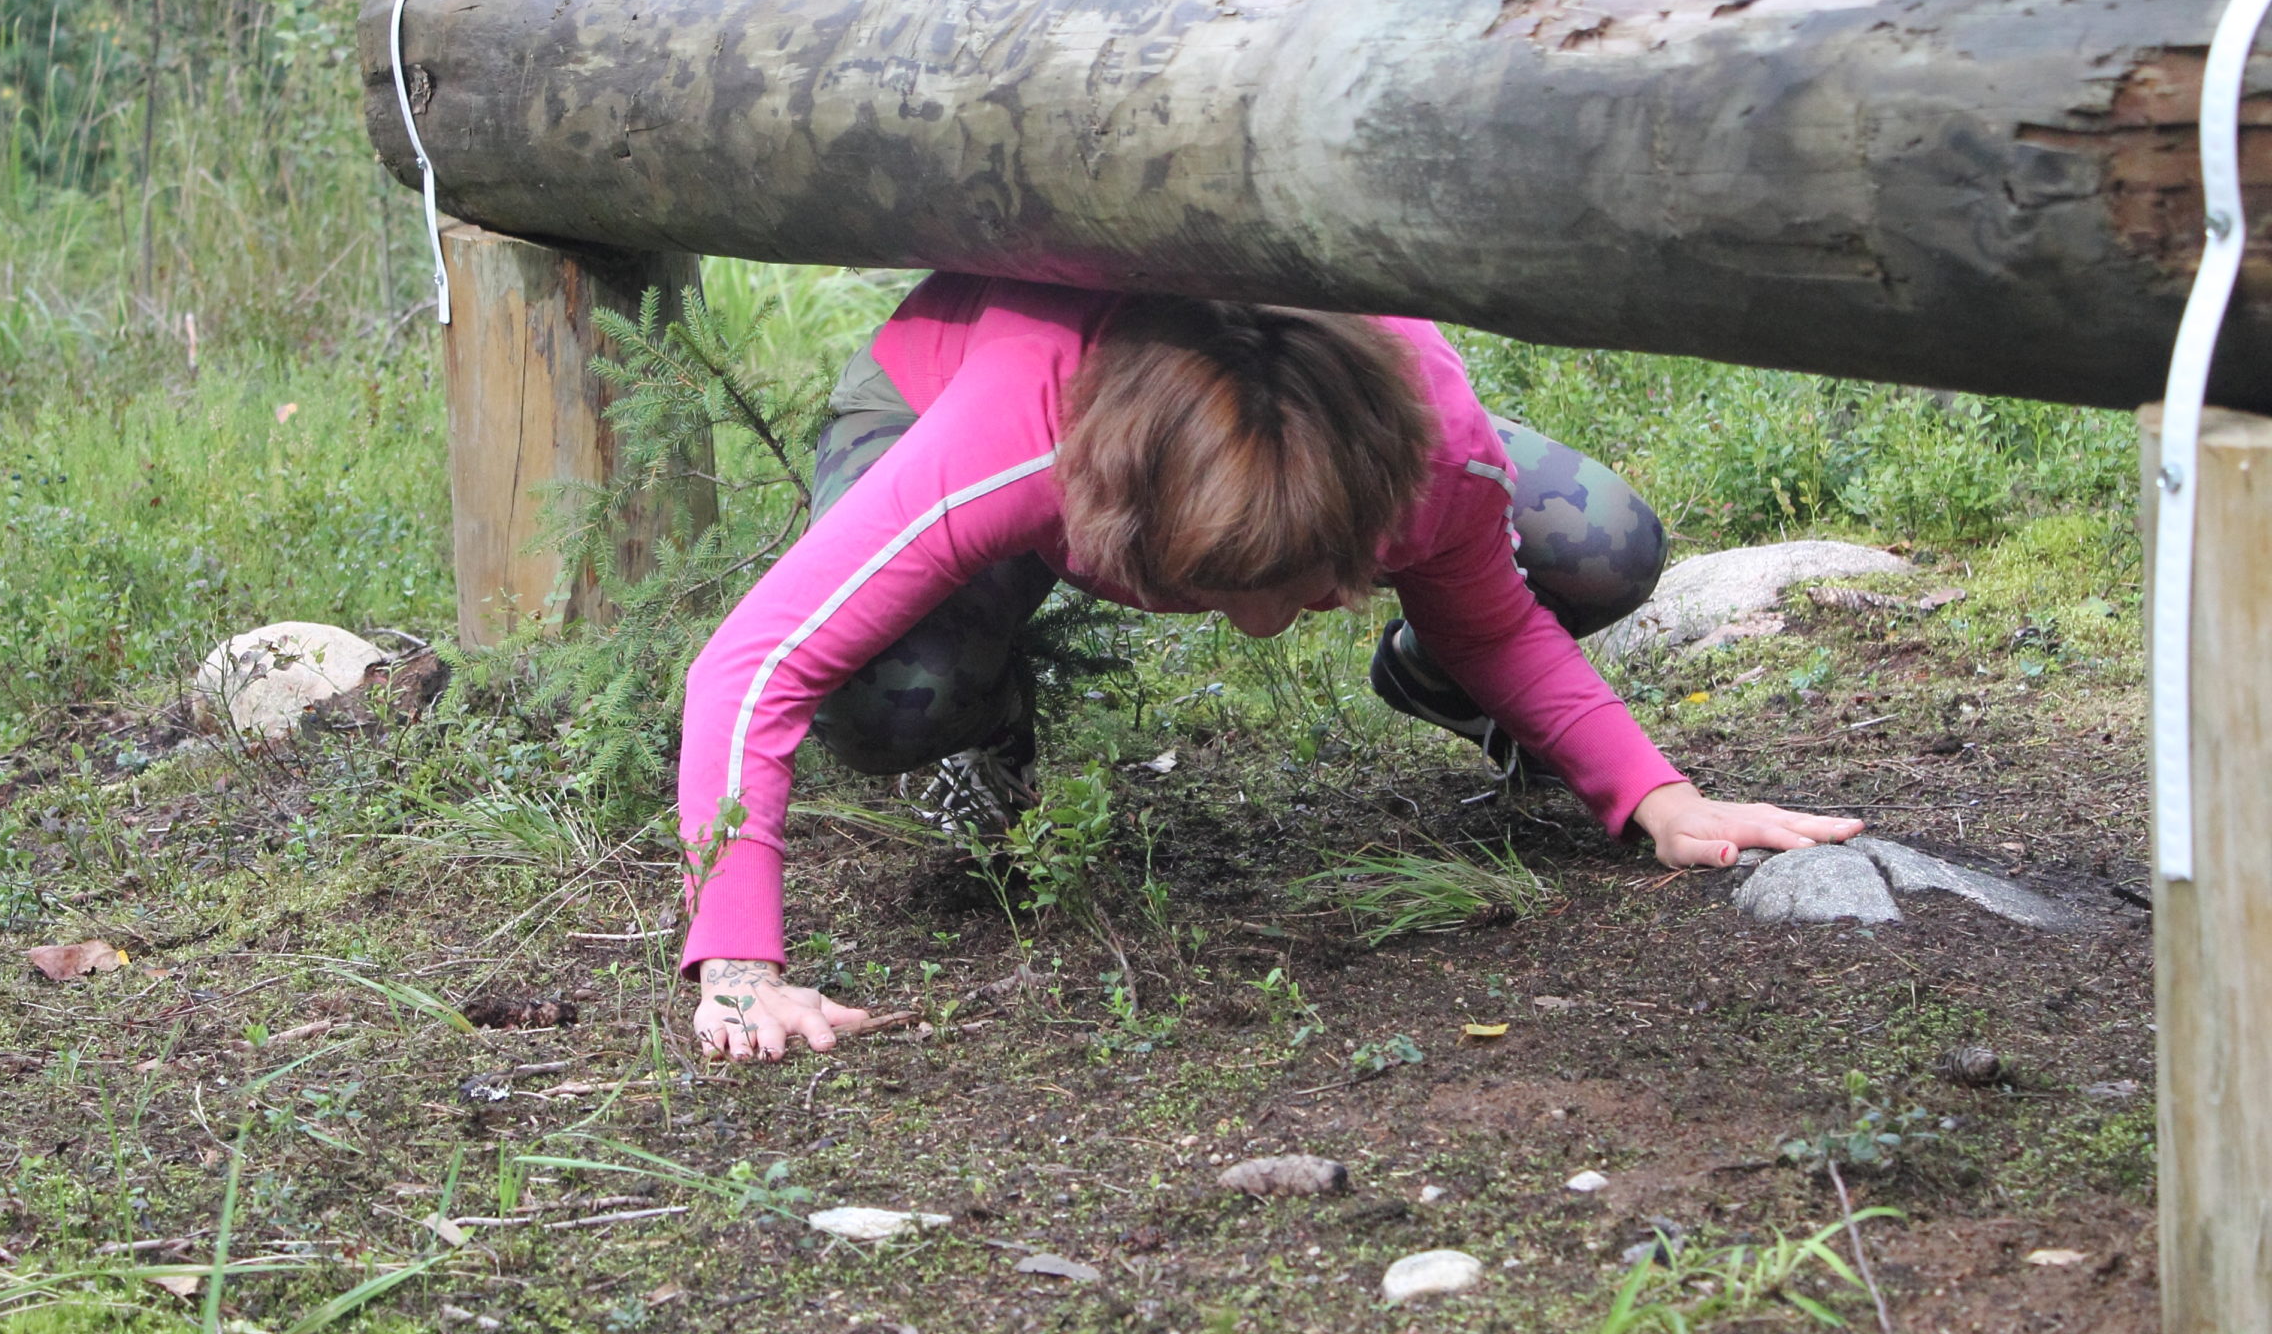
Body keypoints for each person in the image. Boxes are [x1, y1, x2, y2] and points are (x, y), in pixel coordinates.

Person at [679, 275, 1862, 1062]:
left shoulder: (1431, 452)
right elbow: (753, 664)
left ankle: (1429, 680)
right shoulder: (1006, 443)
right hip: (963, 382)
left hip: (1305, 410)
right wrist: (738, 968)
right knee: (888, 696)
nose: (1259, 632)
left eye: (1311, 588)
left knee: (1603, 546)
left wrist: (1662, 800)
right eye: (1219, 594)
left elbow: (1500, 623)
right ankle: (989, 721)